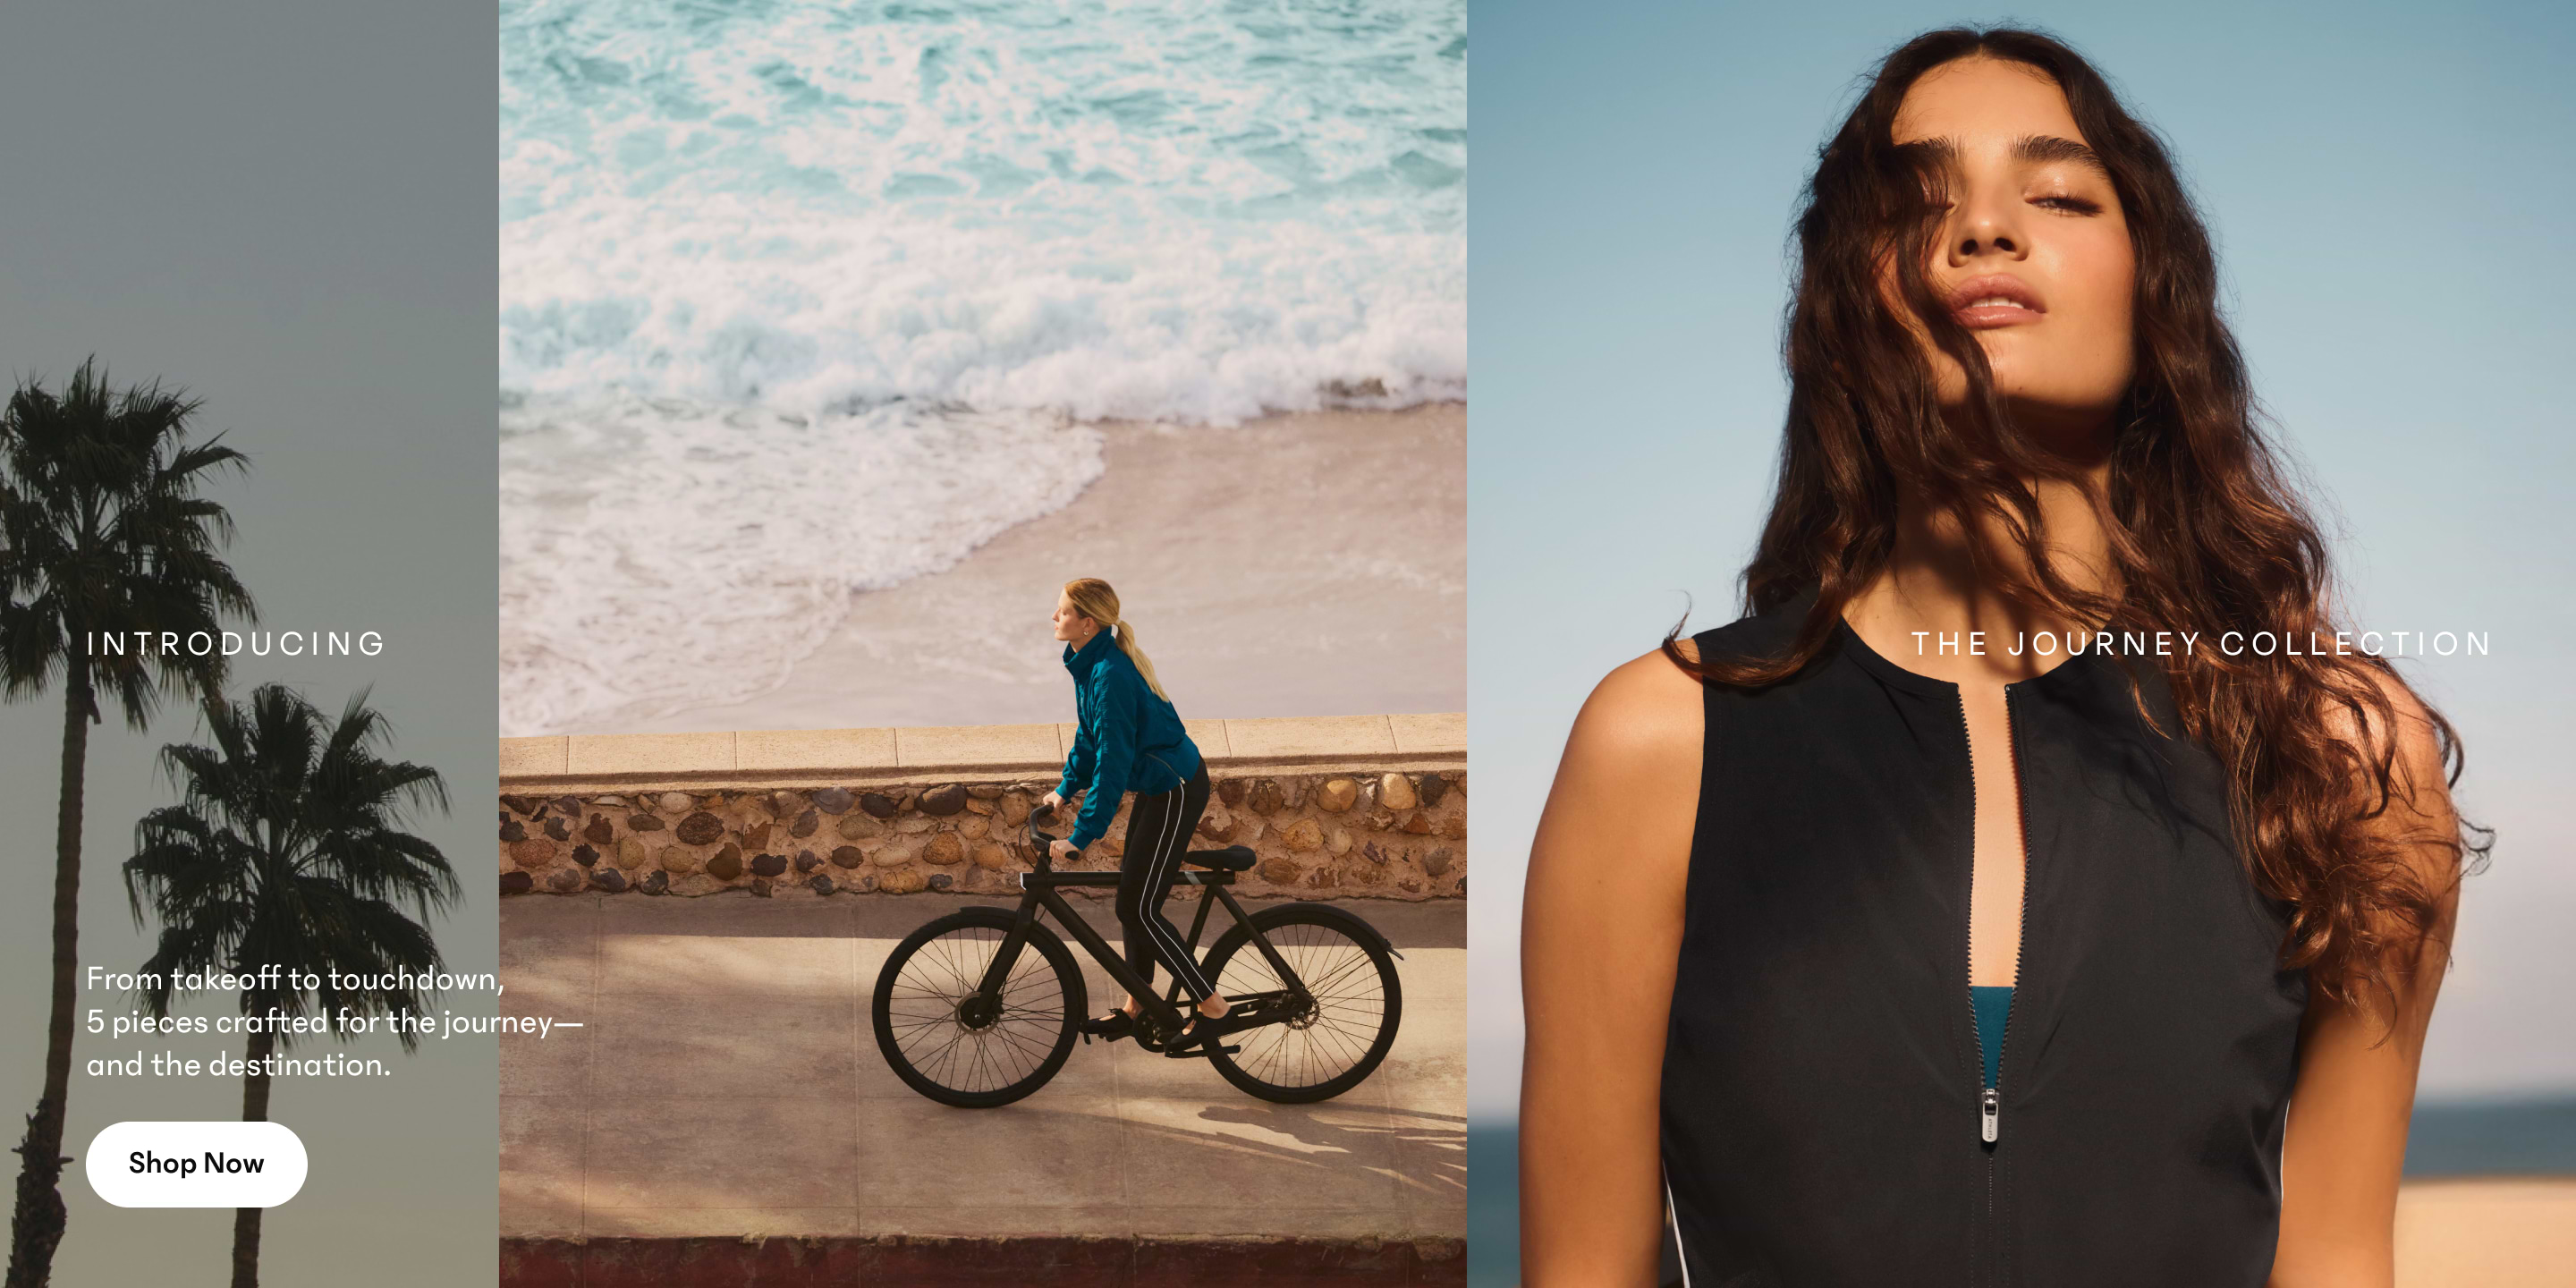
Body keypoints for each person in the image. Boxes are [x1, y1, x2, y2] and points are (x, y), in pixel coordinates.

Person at [1518, 26, 2484, 1288]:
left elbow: (2338, 1255)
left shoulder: (2343, 754)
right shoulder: (1662, 742)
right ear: (1847, 298)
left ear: (2154, 290)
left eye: (2059, 194)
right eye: (1922, 202)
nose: (1984, 229)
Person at [1038, 577, 1233, 1054]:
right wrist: (1064, 791)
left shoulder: (1110, 673)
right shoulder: (1090, 664)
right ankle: (1138, 1004)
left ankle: (1211, 1007)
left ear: (1088, 622)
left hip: (1177, 789)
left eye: (1062, 612)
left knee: (1137, 907)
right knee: (1133, 894)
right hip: (1159, 785)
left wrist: (1083, 836)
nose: (1054, 618)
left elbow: (1114, 761)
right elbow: (1091, 738)